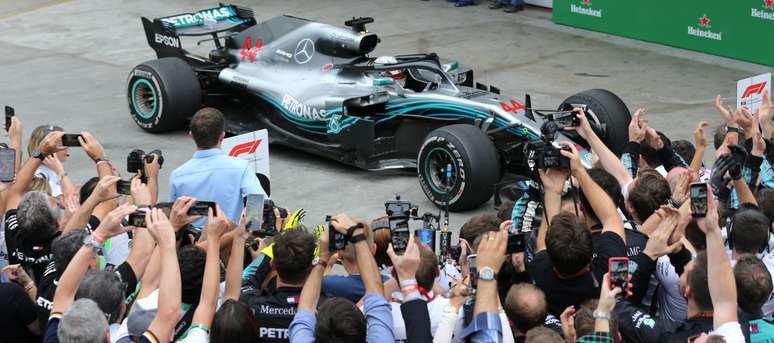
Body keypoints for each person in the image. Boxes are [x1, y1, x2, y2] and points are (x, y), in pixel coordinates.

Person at [288, 213, 393, 343]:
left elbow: (305, 307)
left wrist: (324, 260)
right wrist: (357, 236)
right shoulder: (390, 282)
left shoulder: (329, 283)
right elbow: (375, 290)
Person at [170, 107, 265, 224]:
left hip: (194, 241)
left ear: (191, 135)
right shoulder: (240, 167)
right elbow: (258, 202)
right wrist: (246, 234)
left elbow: (175, 215)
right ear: (222, 135)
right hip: (229, 239)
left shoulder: (177, 175)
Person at [241, 228, 316, 342]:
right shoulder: (324, 308)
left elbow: (247, 280)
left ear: (273, 264)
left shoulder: (250, 304)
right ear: (311, 268)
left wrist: (265, 254)